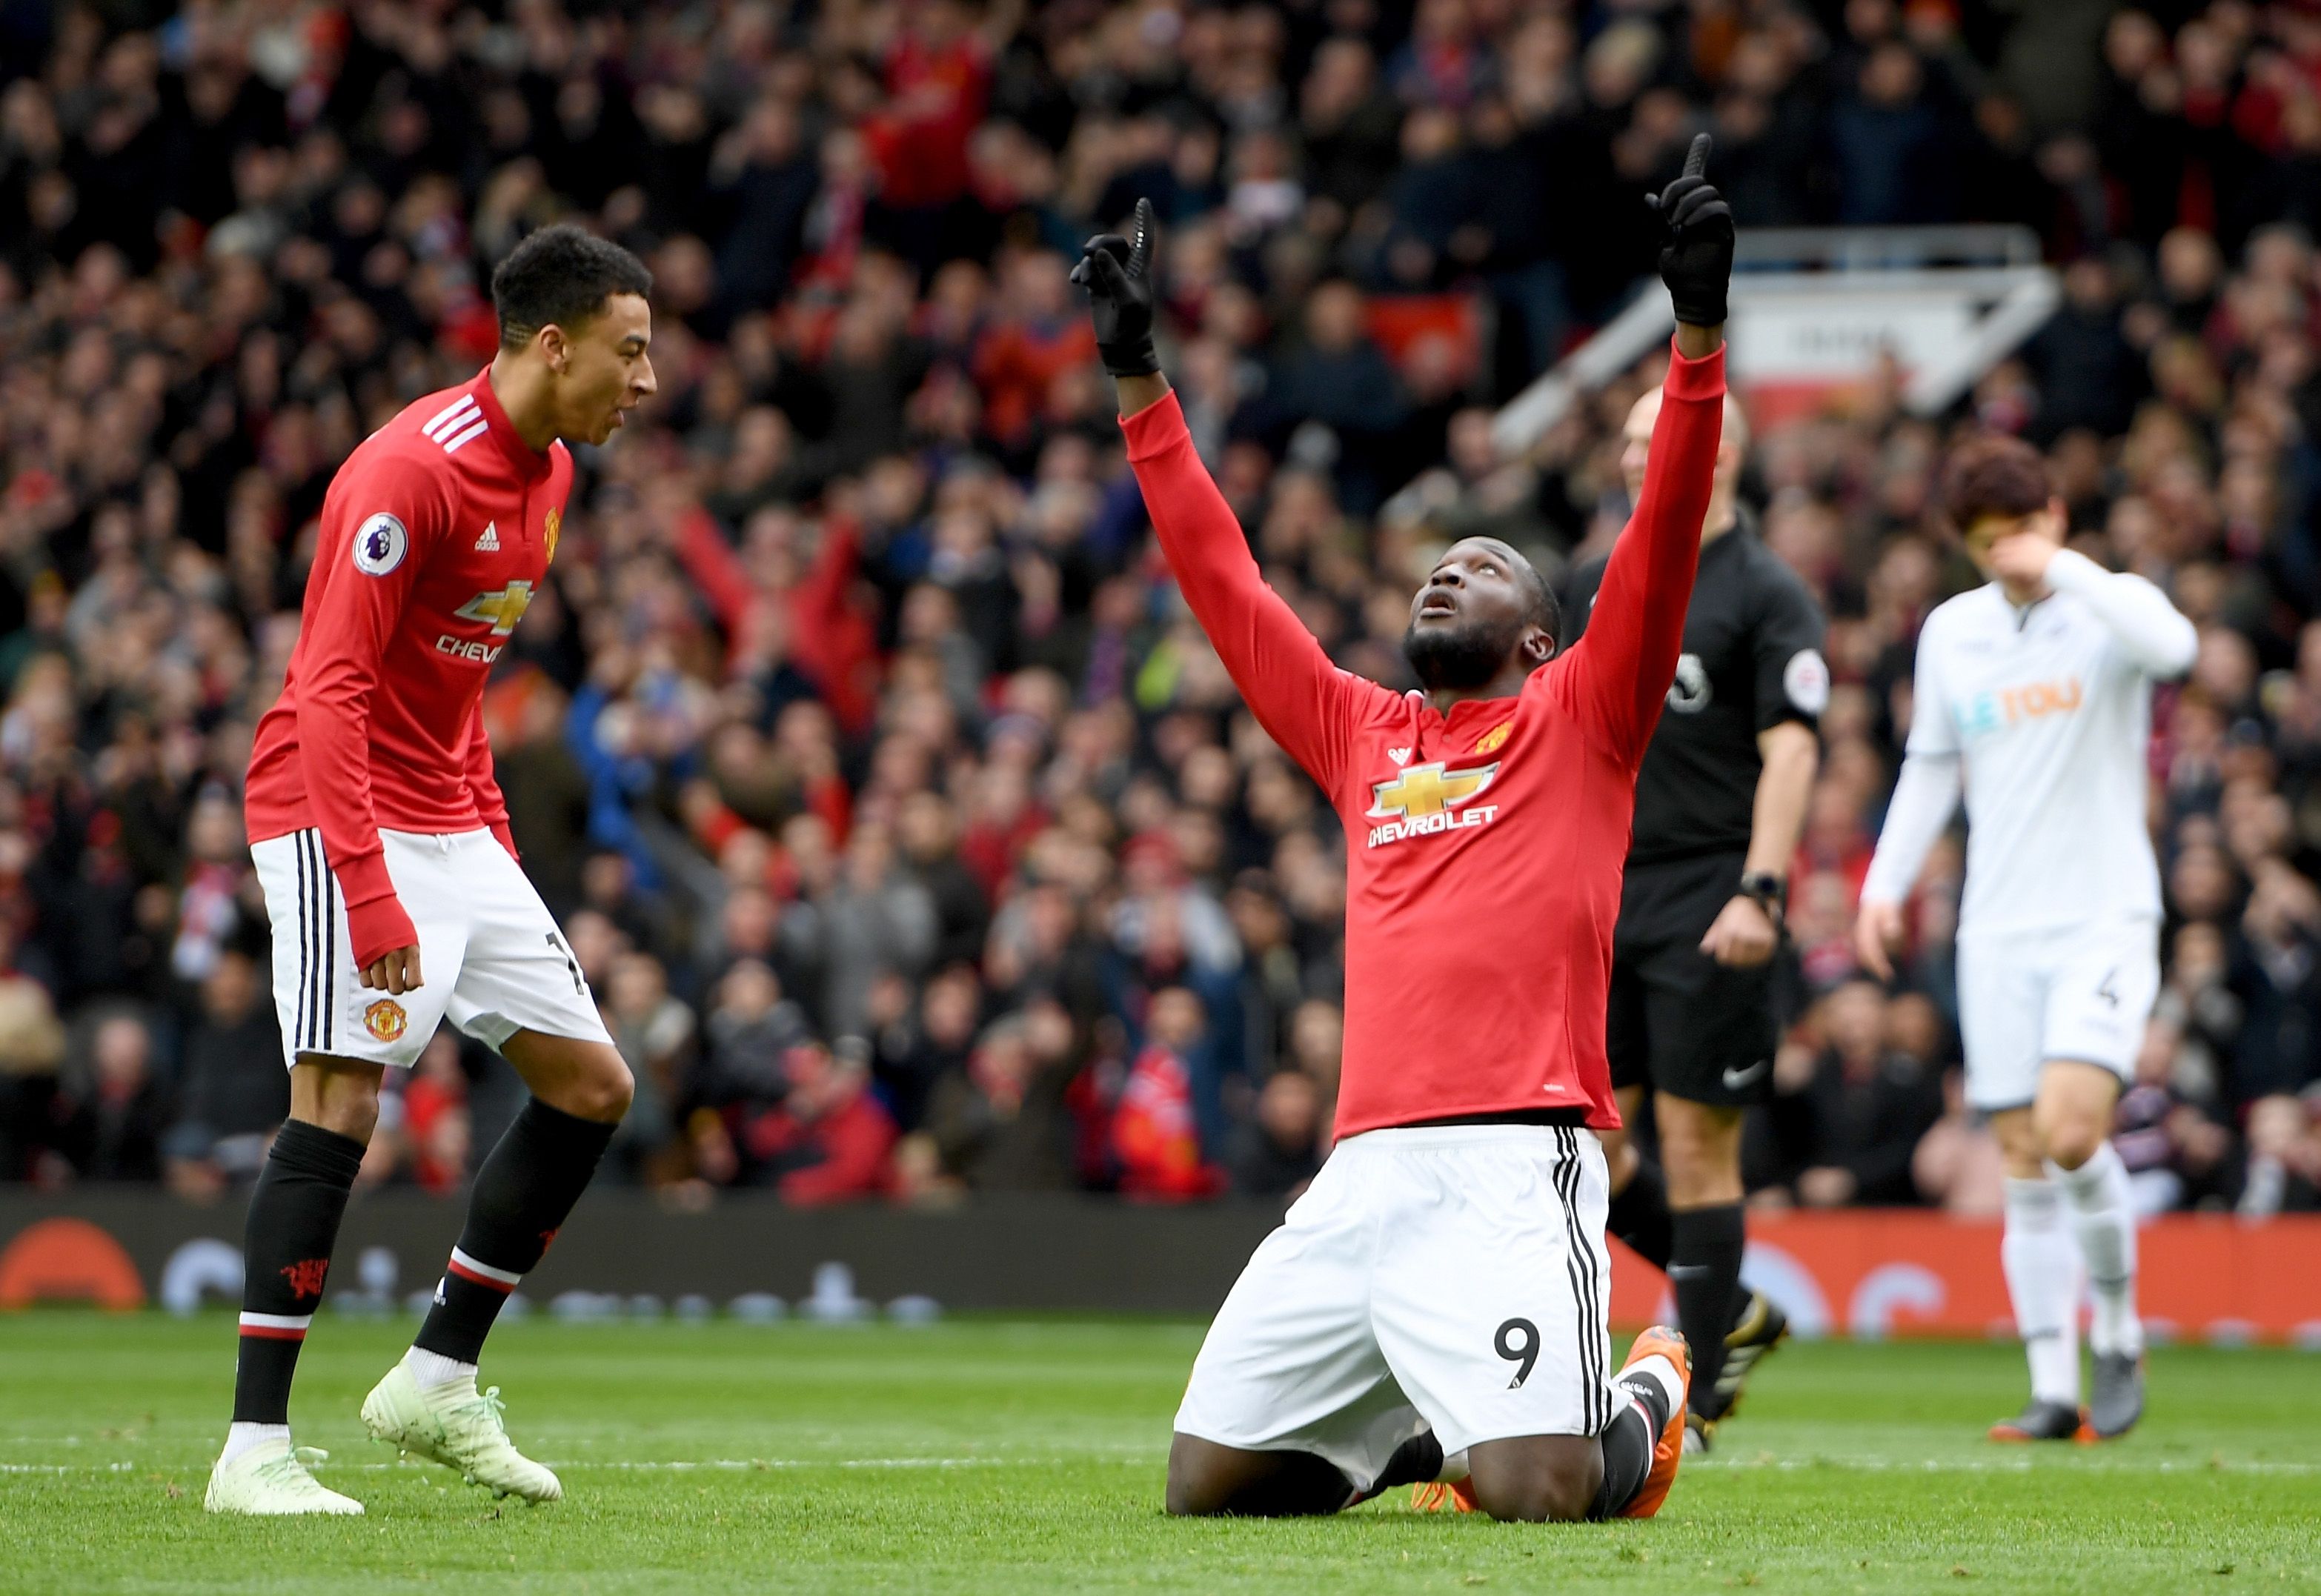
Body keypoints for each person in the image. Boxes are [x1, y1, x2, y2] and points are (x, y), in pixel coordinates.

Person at [1075, 135, 1733, 1524]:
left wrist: (1696, 336)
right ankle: (1450, 1430)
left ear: (1542, 636)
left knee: (1548, 1497)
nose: (1451, 567)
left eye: (1486, 564)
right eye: (1441, 559)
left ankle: (1646, 1392)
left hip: (1515, 1155)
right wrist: (1141, 378)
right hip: (1364, 1163)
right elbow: (1224, 579)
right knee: (1212, 1488)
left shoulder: (1585, 716)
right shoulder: (1362, 731)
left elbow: (1665, 531)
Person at [206, 224, 658, 1516]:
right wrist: (368, 886)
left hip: (453, 815)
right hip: (327, 804)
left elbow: (456, 690)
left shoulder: (556, 473)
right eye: (630, 352)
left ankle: (437, 1379)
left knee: (590, 1084)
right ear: (552, 344)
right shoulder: (407, 475)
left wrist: (491, 851)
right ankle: (252, 1455)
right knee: (341, 1100)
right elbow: (332, 694)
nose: (646, 380)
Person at [1855, 433, 2196, 1444]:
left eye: (2022, 529)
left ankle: (2123, 1329)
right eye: (1987, 539)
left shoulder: (2105, 611)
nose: (2006, 552)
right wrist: (1884, 884)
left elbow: (2176, 650)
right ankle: (2054, 1385)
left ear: (2055, 515)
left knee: (2072, 1128)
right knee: (2019, 1154)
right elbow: (1929, 764)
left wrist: (2071, 568)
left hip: (2102, 915)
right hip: (1996, 924)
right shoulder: (1954, 631)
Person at [1562, 376, 1824, 1452]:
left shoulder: (1766, 591)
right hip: (1602, 891)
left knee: (1698, 1142)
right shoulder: (1591, 582)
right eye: (1625, 438)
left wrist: (1762, 886)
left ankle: (1699, 1398)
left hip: (1713, 891)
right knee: (1580, 1138)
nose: (1635, 454)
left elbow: (1794, 745)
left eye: (1654, 436)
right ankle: (1732, 1312)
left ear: (1714, 450)